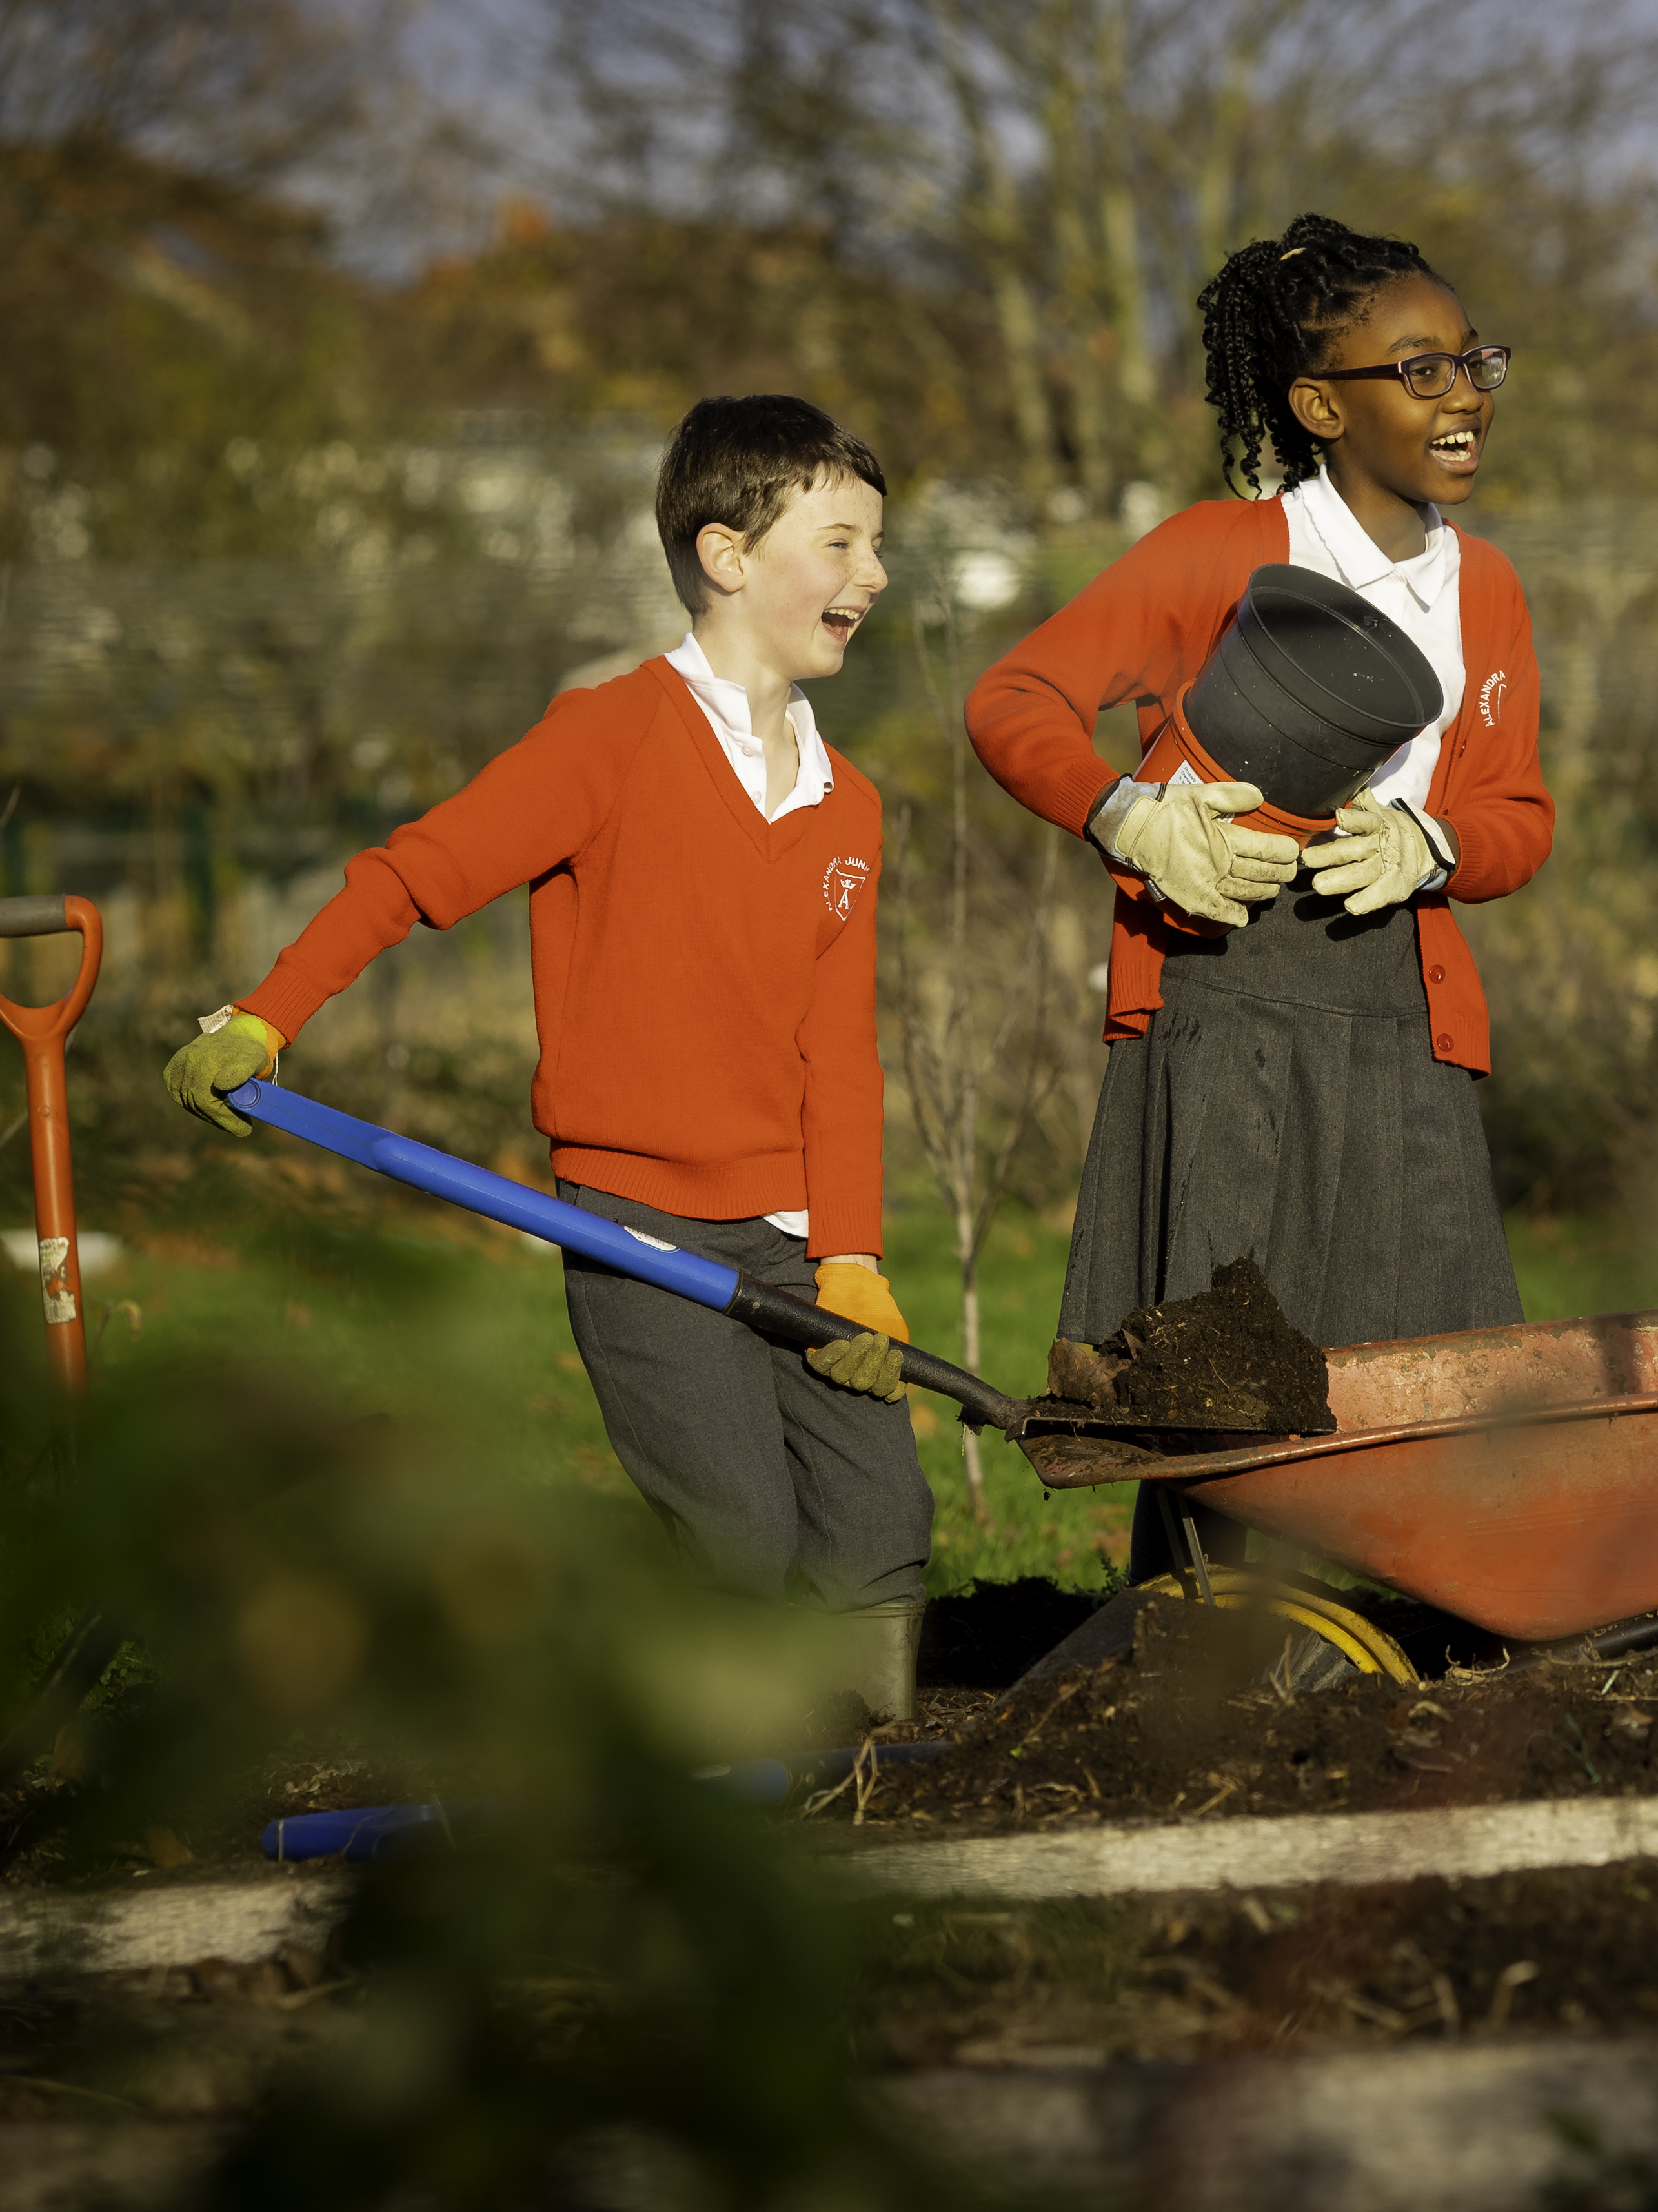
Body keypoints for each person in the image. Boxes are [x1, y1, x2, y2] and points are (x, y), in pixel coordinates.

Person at [161, 396, 935, 1713]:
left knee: (880, 1522)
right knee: (738, 1536)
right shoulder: (611, 738)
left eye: (877, 546)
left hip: (800, 1233)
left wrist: (853, 1257)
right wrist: (267, 1016)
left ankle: (870, 1790)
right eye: (845, 542)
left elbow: (838, 1054)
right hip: (642, 1225)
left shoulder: (844, 801)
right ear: (728, 556)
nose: (875, 574)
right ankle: (705, 1769)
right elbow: (417, 875)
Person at [967, 212, 1552, 1576]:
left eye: (1474, 361)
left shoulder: (1493, 590)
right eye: (1419, 369)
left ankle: (1413, 1633)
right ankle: (1202, 1657)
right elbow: (1015, 701)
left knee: (1417, 1369)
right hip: (1226, 1006)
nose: (1462, 391)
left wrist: (1438, 848)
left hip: (1402, 1014)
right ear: (1316, 404)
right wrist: (1129, 817)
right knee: (1219, 1387)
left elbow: (1521, 814)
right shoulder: (1216, 555)